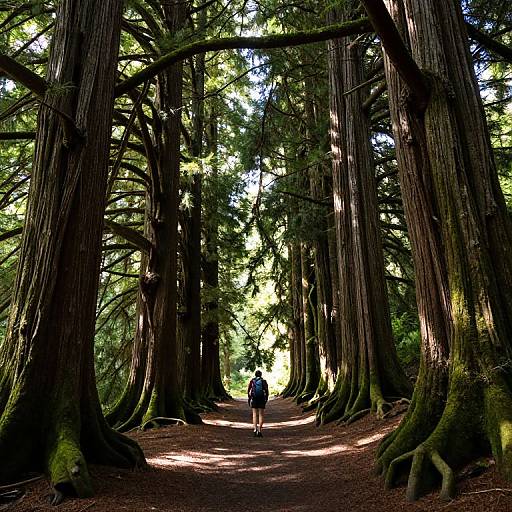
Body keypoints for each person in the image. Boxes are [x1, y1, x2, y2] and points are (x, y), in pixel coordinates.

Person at [247, 370, 269, 437]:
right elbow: (266, 391)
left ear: (255, 375)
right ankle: (259, 431)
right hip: (261, 399)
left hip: (254, 399)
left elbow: (248, 390)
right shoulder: (263, 381)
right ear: (261, 375)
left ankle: (254, 430)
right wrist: (266, 399)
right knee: (261, 414)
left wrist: (249, 398)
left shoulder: (252, 381)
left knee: (254, 414)